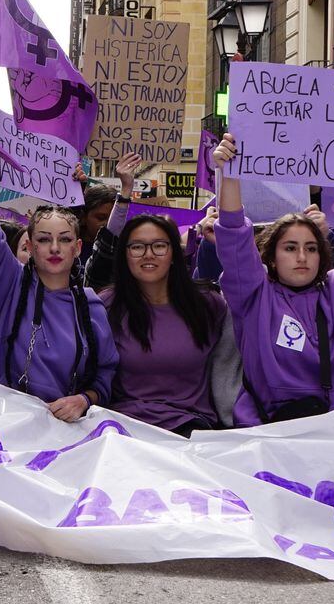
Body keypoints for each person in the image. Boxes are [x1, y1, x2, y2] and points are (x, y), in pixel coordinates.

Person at [212, 134, 334, 424]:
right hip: (271, 433)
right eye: (290, 248)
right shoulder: (255, 295)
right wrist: (228, 174)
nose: (302, 257)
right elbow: (233, 237)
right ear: (270, 258)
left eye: (311, 248)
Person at [0, 130, 118, 421]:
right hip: (5, 427)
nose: (55, 248)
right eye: (45, 239)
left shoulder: (91, 307)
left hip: (66, 433)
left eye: (65, 239)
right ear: (31, 247)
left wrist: (83, 400)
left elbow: (104, 377)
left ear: (78, 247)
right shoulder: (9, 287)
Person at [86, 152, 241, 435]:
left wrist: (228, 177)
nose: (148, 255)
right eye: (137, 247)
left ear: (174, 254)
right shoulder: (106, 305)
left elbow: (247, 282)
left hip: (192, 433)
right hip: (123, 433)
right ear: (125, 255)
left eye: (159, 245)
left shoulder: (210, 305)